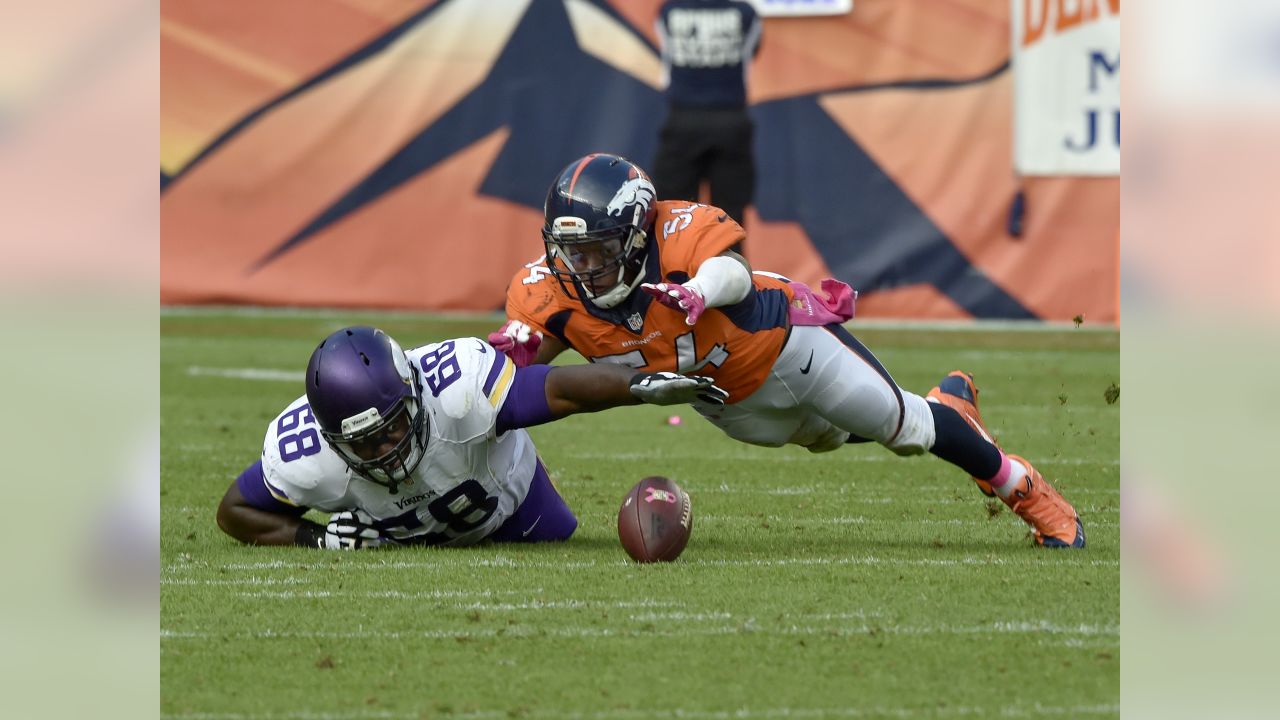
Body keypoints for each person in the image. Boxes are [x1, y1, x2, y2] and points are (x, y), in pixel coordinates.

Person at [491, 153, 1086, 548]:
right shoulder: (545, 292)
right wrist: (509, 358)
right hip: (729, 404)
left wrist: (697, 292)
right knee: (828, 436)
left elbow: (735, 272)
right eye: (574, 254)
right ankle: (946, 412)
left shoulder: (678, 230)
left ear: (638, 231)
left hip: (791, 347)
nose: (585, 269)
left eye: (599, 250)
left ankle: (1024, 489)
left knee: (904, 430)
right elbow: (522, 382)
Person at [215, 325, 726, 549]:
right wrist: (316, 538)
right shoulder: (305, 454)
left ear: (415, 391)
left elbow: (561, 389)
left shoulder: (458, 388)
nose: (386, 449)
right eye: (364, 443)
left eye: (393, 424)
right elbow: (234, 511)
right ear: (330, 439)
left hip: (512, 499)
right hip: (407, 535)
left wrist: (636, 385)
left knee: (558, 542)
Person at [652, 0, 762, 253]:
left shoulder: (669, 12)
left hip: (684, 119)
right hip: (730, 119)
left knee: (673, 214)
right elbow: (751, 50)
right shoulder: (745, 13)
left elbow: (666, 48)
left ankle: (674, 285)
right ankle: (733, 284)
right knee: (730, 218)